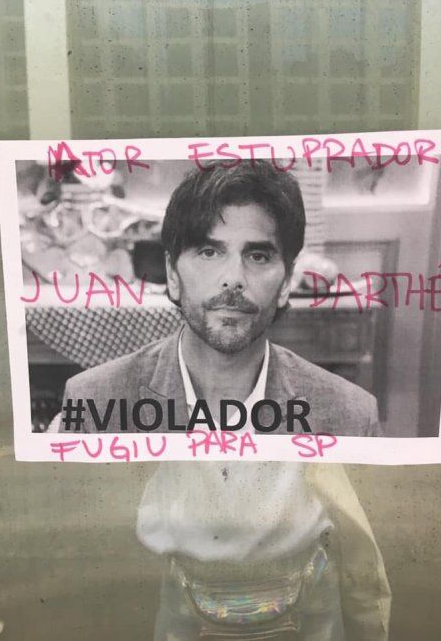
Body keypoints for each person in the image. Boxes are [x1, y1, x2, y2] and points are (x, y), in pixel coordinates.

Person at [60, 161, 391, 640]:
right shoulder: (95, 401)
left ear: (286, 282)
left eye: (257, 255)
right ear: (173, 276)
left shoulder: (349, 413)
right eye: (209, 251)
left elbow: (366, 580)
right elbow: (83, 585)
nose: (233, 278)